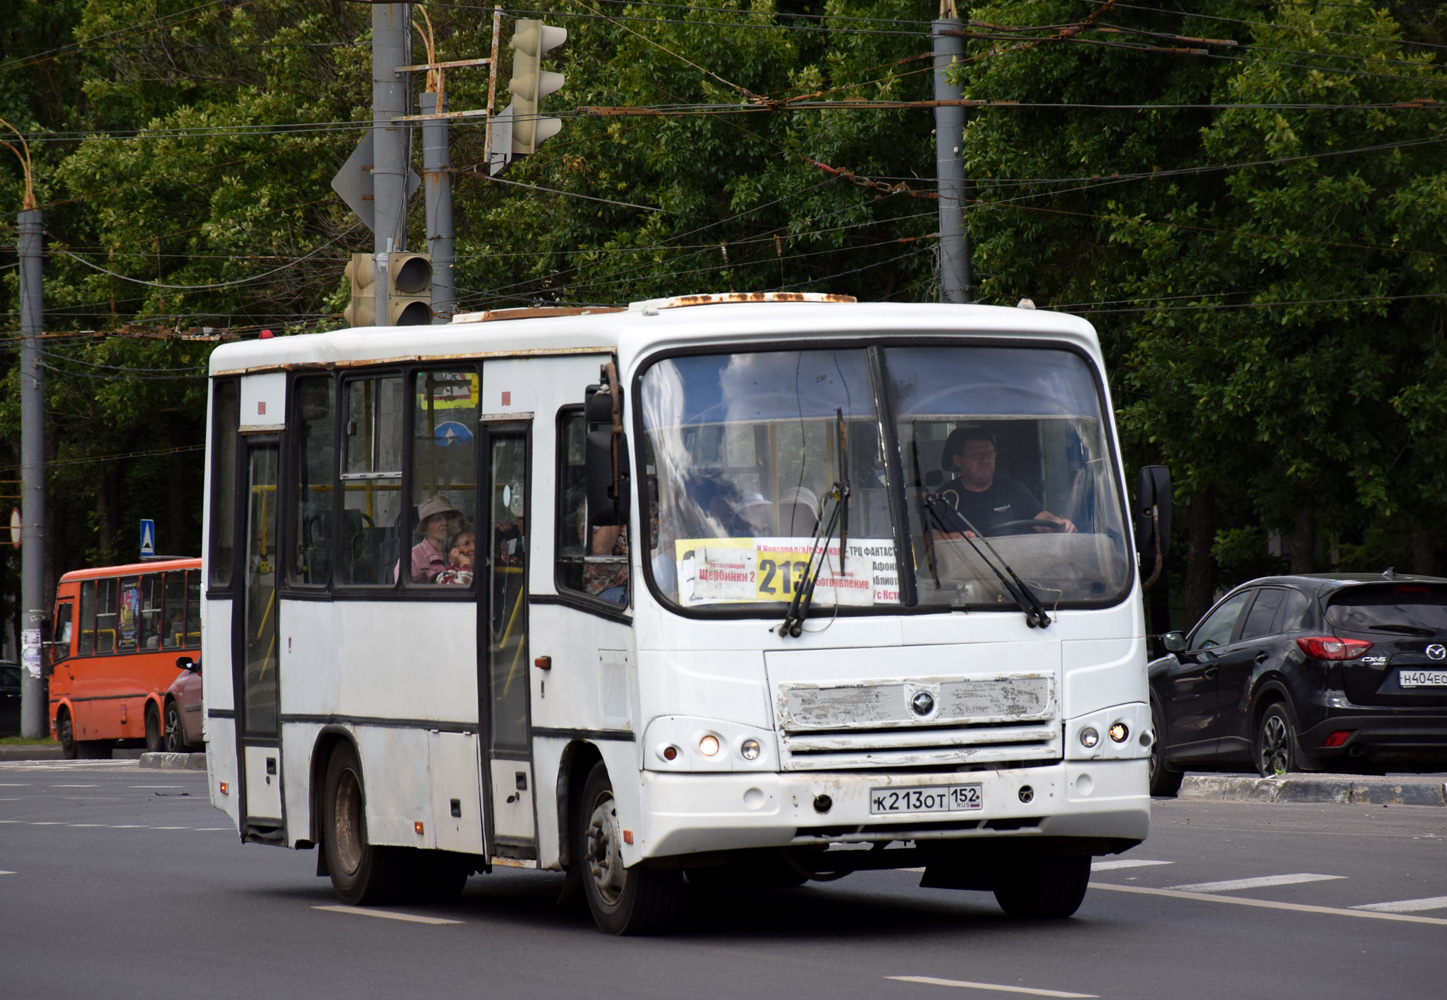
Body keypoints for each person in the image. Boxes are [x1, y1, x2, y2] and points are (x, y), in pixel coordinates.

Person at [937, 427, 1075, 537]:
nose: (984, 461)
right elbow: (930, 538)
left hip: (1014, 567)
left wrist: (1058, 524)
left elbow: (1041, 518)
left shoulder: (1013, 489)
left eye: (989, 454)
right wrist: (952, 539)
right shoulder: (946, 497)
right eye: (976, 455)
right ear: (958, 460)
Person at [411, 496, 461, 583]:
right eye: (437, 519)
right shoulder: (414, 558)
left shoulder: (464, 550)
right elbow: (405, 594)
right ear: (425, 527)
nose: (445, 523)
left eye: (448, 518)